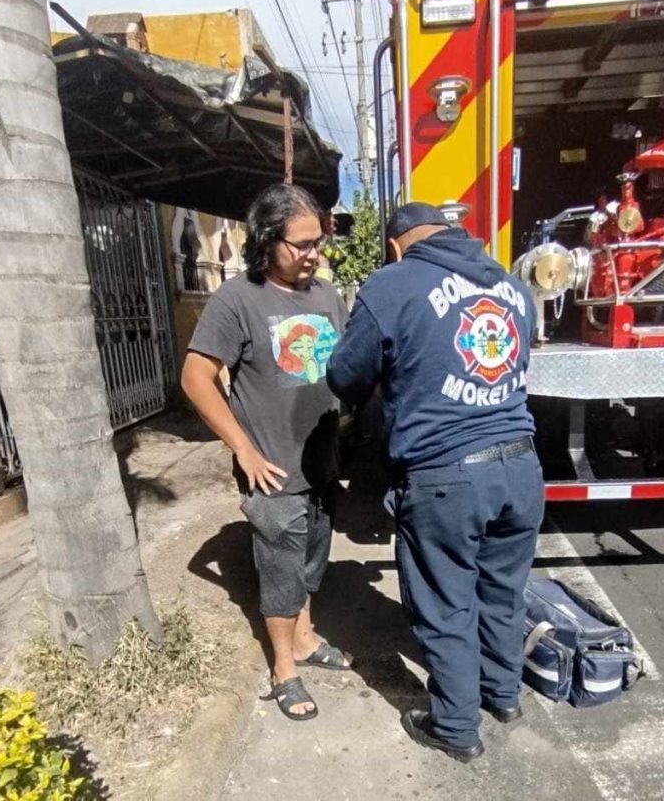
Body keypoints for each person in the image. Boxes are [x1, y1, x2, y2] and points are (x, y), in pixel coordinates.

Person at [326, 202, 543, 762]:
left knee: (446, 604)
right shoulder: (515, 288)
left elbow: (345, 375)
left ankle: (455, 727)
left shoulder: (394, 283)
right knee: (502, 591)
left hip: (447, 475)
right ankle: (503, 694)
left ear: (397, 245)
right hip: (521, 464)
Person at [182, 183, 352, 722]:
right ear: (266, 240)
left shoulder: (327, 295)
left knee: (311, 561)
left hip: (322, 459)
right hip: (271, 467)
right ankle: (284, 668)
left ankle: (305, 638)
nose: (313, 254)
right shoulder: (238, 299)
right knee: (280, 572)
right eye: (300, 244)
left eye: (317, 242)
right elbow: (196, 378)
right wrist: (244, 451)